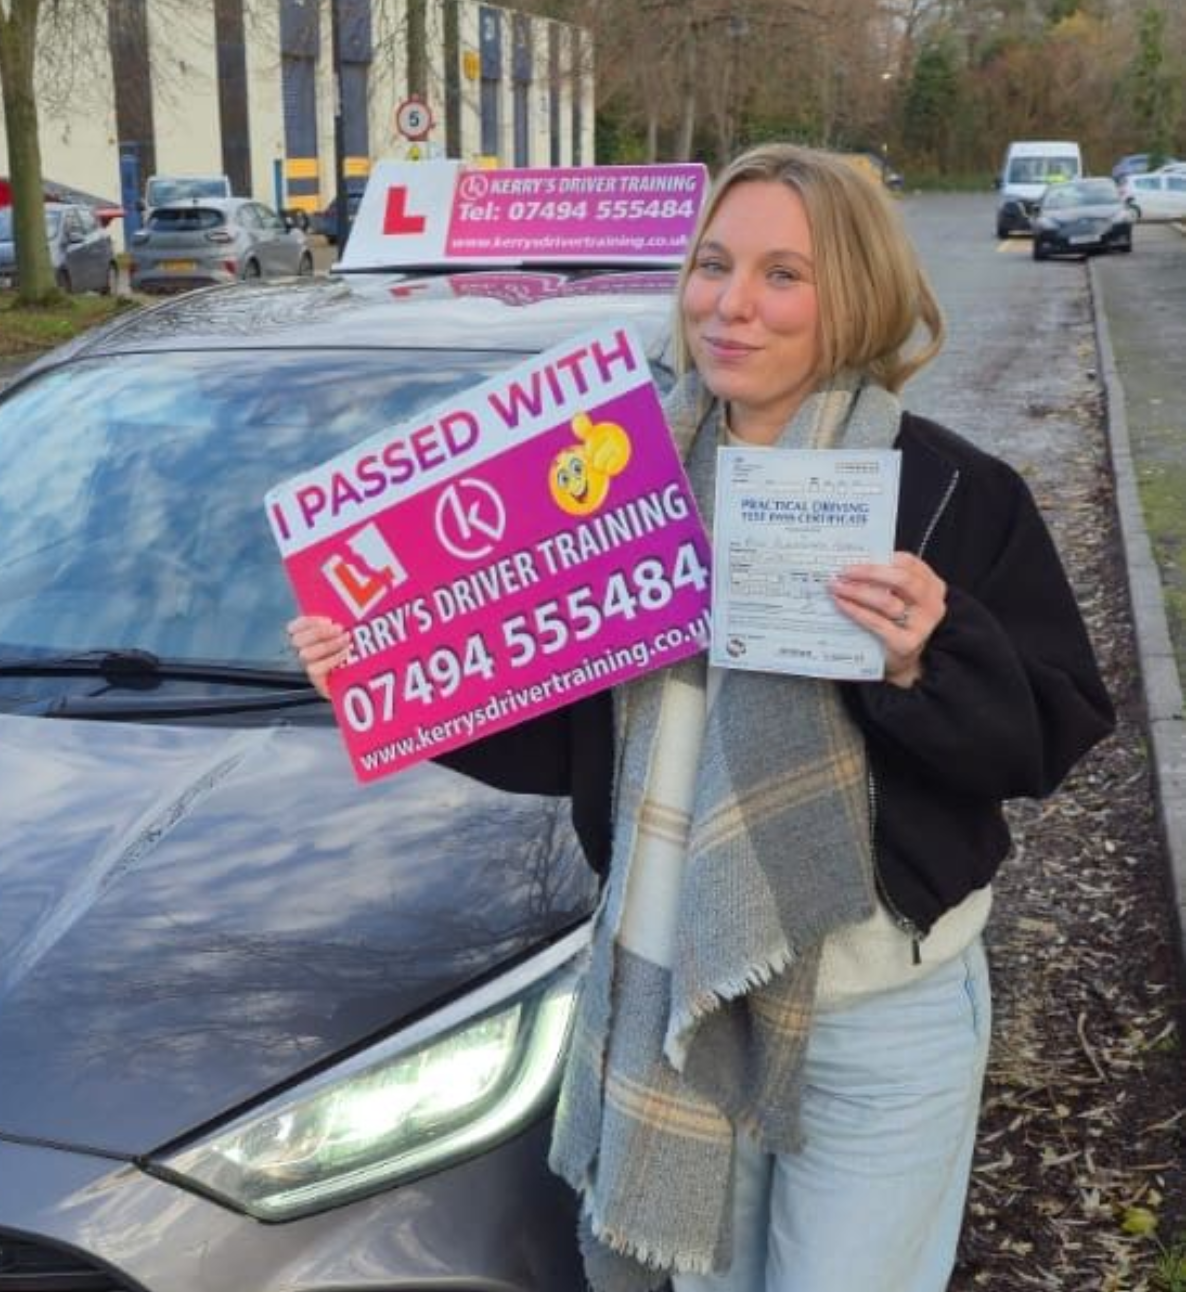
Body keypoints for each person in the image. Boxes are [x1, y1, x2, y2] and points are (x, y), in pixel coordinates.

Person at [287, 143, 1113, 1292]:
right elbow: (555, 729)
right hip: (682, 996)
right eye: (713, 265)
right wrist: (391, 683)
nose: (731, 304)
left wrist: (931, 654)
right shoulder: (611, 475)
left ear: (858, 292)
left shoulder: (951, 493)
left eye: (783, 274)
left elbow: (1046, 736)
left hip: (877, 1021)